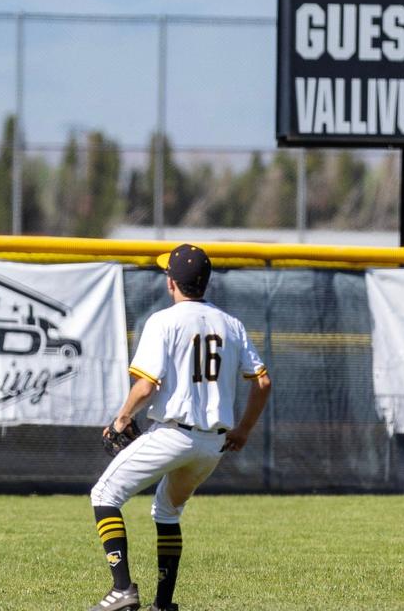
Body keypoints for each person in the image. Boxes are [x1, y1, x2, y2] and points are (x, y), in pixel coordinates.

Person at [88, 244, 272, 611]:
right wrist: (244, 430)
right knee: (167, 513)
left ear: (171, 282)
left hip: (173, 433)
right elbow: (262, 382)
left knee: (104, 495)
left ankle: (122, 589)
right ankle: (163, 604)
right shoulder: (231, 324)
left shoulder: (163, 321)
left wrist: (121, 418)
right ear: (206, 282)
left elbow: (146, 386)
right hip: (212, 445)